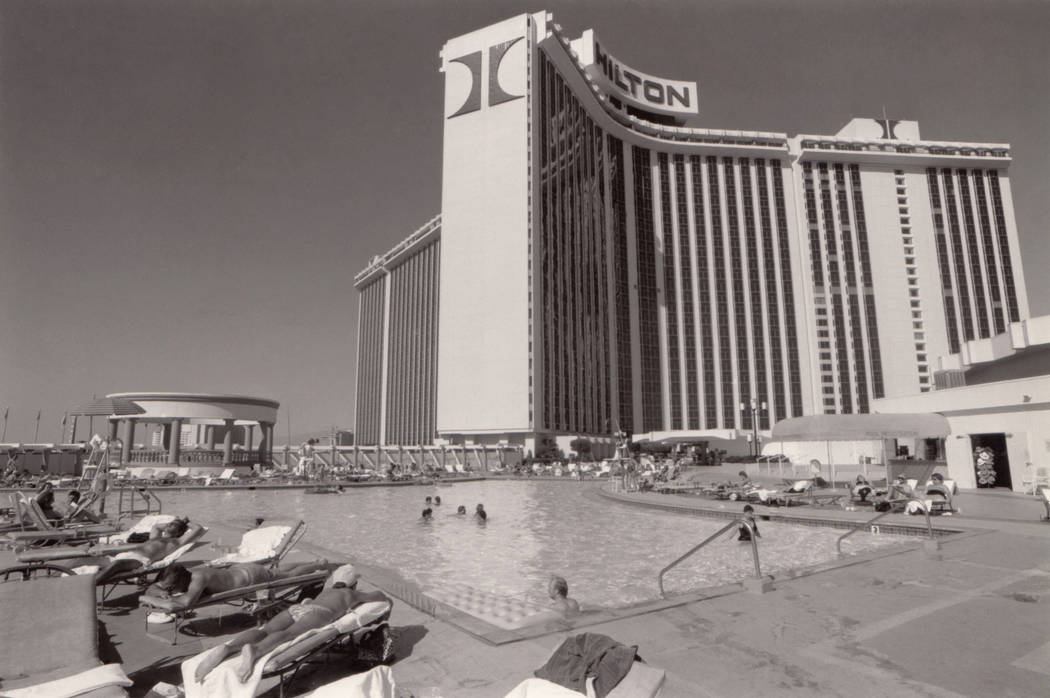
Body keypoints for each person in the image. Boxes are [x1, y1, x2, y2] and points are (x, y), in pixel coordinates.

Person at [193, 564, 390, 683]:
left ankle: (228, 648)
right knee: (288, 635)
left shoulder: (325, 591)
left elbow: (310, 601)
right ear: (353, 583)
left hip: (297, 608)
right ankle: (256, 650)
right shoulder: (349, 593)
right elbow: (379, 596)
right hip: (319, 613)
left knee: (266, 629)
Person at [148, 559, 332, 611]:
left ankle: (319, 566)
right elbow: (154, 586)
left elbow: (186, 603)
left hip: (252, 578)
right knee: (278, 571)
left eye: (172, 588)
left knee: (288, 575)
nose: (171, 591)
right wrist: (160, 591)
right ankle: (313, 562)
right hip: (242, 570)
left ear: (181, 580)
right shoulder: (189, 573)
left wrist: (147, 597)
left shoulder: (198, 579)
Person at [88, 517, 203, 585]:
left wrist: (185, 521)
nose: (169, 524)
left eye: (173, 525)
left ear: (179, 532)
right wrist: (175, 521)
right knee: (90, 558)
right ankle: (73, 576)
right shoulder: (155, 537)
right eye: (169, 523)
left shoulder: (176, 541)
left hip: (141, 560)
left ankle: (90, 585)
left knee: (117, 564)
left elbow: (198, 528)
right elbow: (157, 526)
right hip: (127, 554)